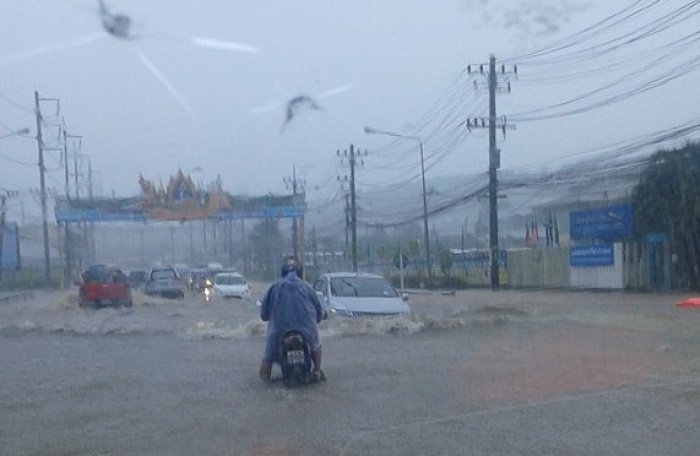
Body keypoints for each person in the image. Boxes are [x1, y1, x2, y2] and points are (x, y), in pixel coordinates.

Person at [258, 256, 324, 381]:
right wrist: (319, 318)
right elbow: (318, 311)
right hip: (306, 331)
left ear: (282, 272)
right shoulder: (307, 287)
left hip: (278, 332)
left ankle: (264, 382)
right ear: (299, 272)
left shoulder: (274, 287)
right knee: (316, 345)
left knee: (267, 360)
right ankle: (316, 371)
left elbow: (264, 315)